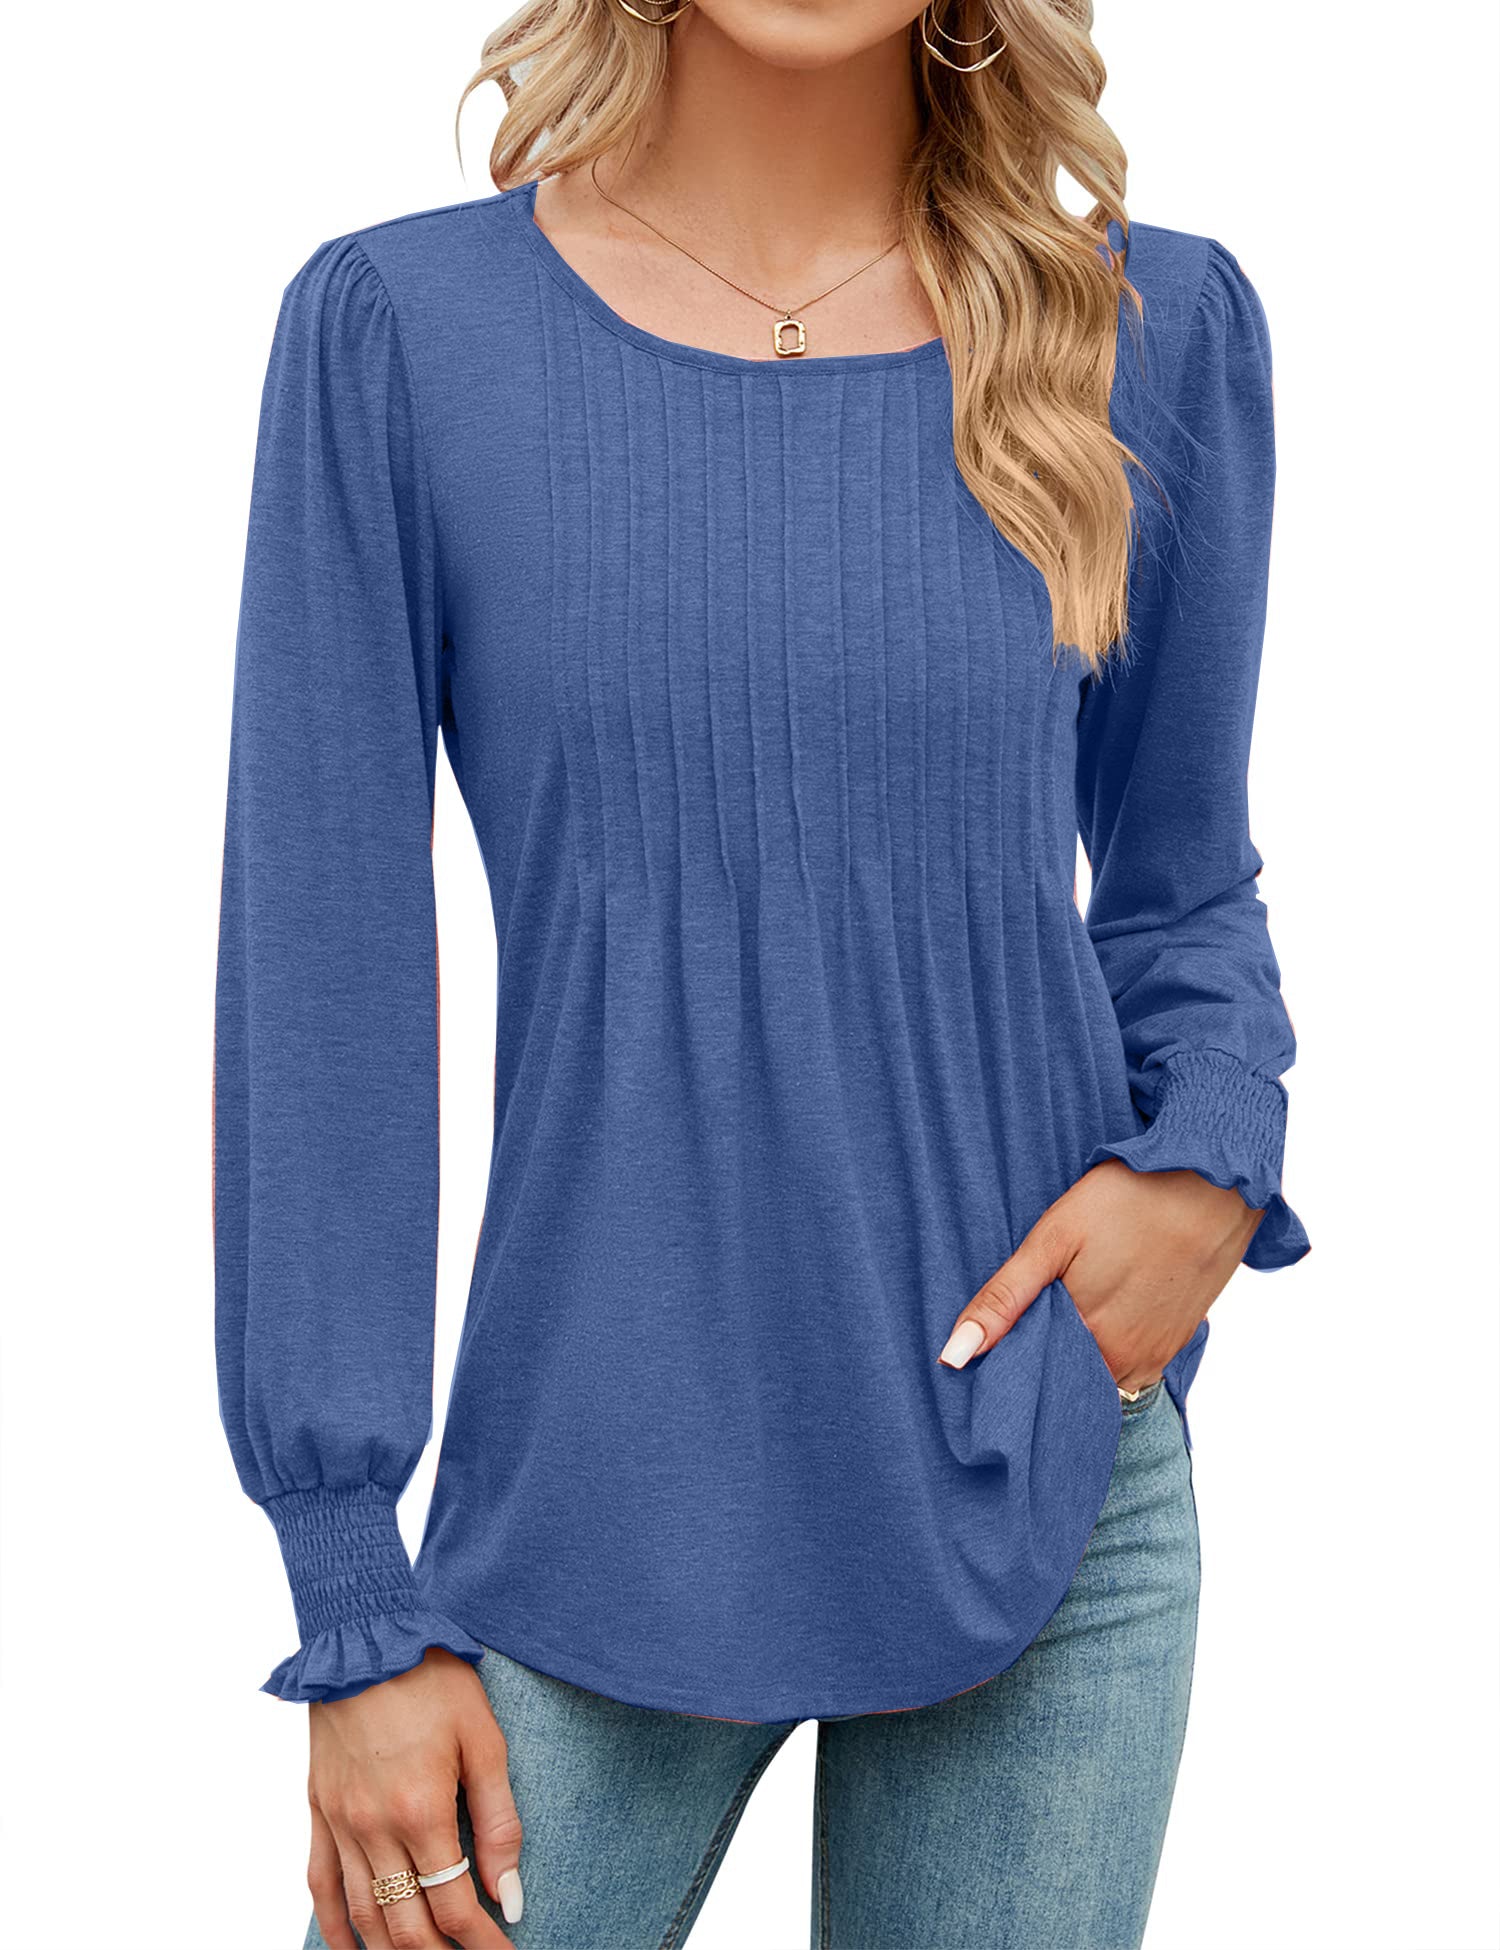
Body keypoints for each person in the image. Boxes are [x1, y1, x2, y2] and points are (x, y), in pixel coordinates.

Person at [211, 3, 1311, 1945]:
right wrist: (351, 1587)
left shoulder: (1148, 333)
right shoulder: (403, 337)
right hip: (591, 1514)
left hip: (1040, 1464)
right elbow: (324, 982)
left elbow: (1181, 888)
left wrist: (1208, 1158)